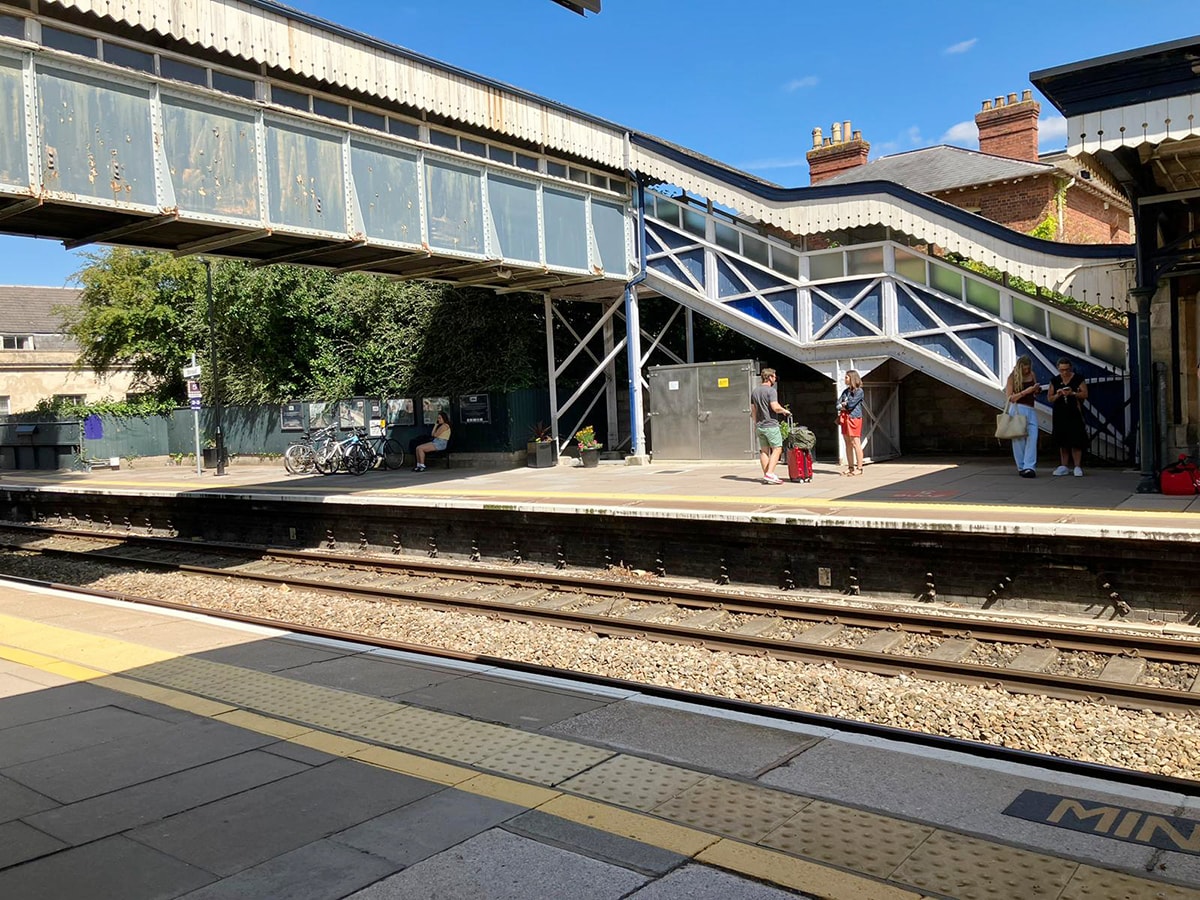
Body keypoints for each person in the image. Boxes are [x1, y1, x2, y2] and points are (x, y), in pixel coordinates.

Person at [1048, 357, 1088, 476]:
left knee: (1076, 439)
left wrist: (1073, 393)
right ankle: (1064, 465)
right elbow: (1050, 398)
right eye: (1062, 370)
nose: (1064, 372)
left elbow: (1085, 394)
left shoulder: (1078, 379)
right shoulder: (1054, 380)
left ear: (1070, 368)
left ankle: (1077, 466)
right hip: (1060, 412)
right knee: (1062, 440)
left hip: (1074, 411)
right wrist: (1058, 394)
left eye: (1066, 369)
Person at [750, 368, 790, 484]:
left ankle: (767, 475)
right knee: (777, 448)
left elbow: (753, 410)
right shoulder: (771, 391)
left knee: (764, 451)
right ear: (769, 377)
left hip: (760, 425)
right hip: (771, 425)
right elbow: (775, 406)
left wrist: (755, 424)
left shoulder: (755, 391)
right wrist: (784, 410)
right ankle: (770, 473)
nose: (775, 378)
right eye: (774, 376)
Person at [1006, 355, 1042, 478]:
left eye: (1028, 368)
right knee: (1018, 438)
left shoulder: (1032, 374)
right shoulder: (1012, 377)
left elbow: (1034, 392)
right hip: (1018, 409)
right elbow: (1010, 398)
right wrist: (1026, 391)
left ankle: (1029, 466)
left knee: (1033, 437)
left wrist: (1036, 390)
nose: (1026, 371)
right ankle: (1021, 466)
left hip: (1031, 408)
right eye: (1024, 369)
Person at [837, 370, 865, 476]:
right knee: (847, 442)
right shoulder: (845, 391)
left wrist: (845, 405)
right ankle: (850, 467)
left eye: (846, 377)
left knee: (855, 442)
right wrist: (843, 405)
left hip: (854, 417)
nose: (845, 379)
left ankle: (859, 467)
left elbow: (851, 405)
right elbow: (838, 404)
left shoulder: (859, 391)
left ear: (852, 378)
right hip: (844, 417)